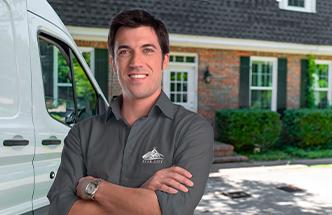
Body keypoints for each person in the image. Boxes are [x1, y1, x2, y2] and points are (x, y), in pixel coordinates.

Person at [48, 9, 214, 215]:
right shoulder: (82, 134)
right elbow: (60, 208)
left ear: (164, 60)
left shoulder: (191, 130)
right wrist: (143, 196)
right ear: (113, 62)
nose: (136, 62)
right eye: (124, 51)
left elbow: (170, 210)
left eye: (147, 50)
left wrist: (92, 187)